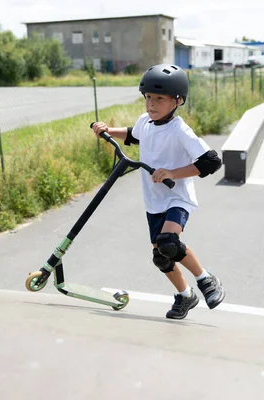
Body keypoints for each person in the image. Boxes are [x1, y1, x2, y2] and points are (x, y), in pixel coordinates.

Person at [91, 64, 225, 319]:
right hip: (154, 201)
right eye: (148, 98)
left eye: (159, 99)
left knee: (168, 243)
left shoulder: (180, 131)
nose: (151, 104)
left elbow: (210, 161)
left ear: (178, 101)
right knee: (161, 256)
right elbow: (134, 135)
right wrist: (109, 131)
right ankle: (185, 296)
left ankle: (206, 279)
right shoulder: (147, 121)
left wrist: (173, 173)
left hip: (177, 197)